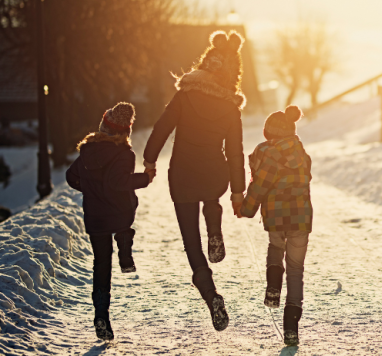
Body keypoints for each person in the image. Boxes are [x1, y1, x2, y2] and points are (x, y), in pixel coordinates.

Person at [142, 30, 247, 331]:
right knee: (211, 198)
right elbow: (236, 153)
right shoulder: (230, 107)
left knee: (191, 241)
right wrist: (237, 193)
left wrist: (149, 161)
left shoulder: (185, 95)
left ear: (204, 64)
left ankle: (211, 294)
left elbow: (162, 127)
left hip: (183, 174)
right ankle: (214, 222)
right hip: (216, 173)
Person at [66, 102, 155, 341]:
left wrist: (91, 190)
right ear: (125, 131)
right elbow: (118, 182)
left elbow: (71, 177)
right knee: (125, 216)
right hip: (118, 212)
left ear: (103, 126)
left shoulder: (87, 151)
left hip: (95, 216)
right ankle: (125, 249)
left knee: (101, 264)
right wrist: (144, 179)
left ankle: (101, 316)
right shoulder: (124, 153)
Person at [239, 105, 312, 346]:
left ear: (268, 132)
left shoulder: (268, 154)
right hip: (301, 218)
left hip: (277, 218)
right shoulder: (302, 154)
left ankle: (272, 286)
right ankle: (291, 328)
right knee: (296, 270)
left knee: (275, 247)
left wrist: (247, 209)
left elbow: (260, 185)